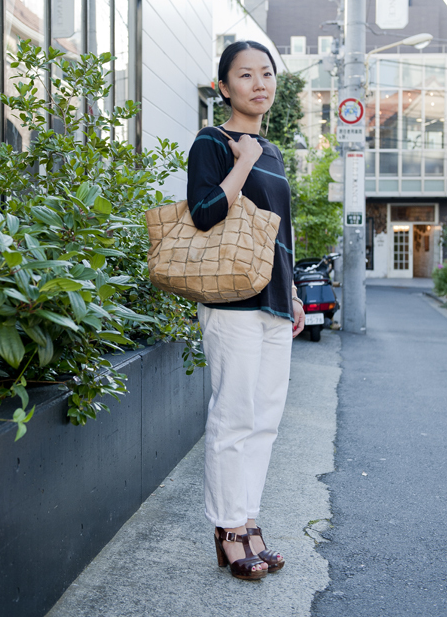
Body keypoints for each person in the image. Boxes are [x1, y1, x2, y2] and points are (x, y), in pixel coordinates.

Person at [187, 40, 305, 580]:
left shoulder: (275, 151)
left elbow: (280, 232)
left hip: (276, 302)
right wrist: (245, 161)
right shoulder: (212, 142)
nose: (260, 84)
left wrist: (295, 293)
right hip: (231, 299)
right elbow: (206, 214)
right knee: (233, 415)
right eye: (246, 75)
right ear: (223, 87)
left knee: (264, 420)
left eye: (266, 74)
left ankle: (249, 519)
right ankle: (227, 529)